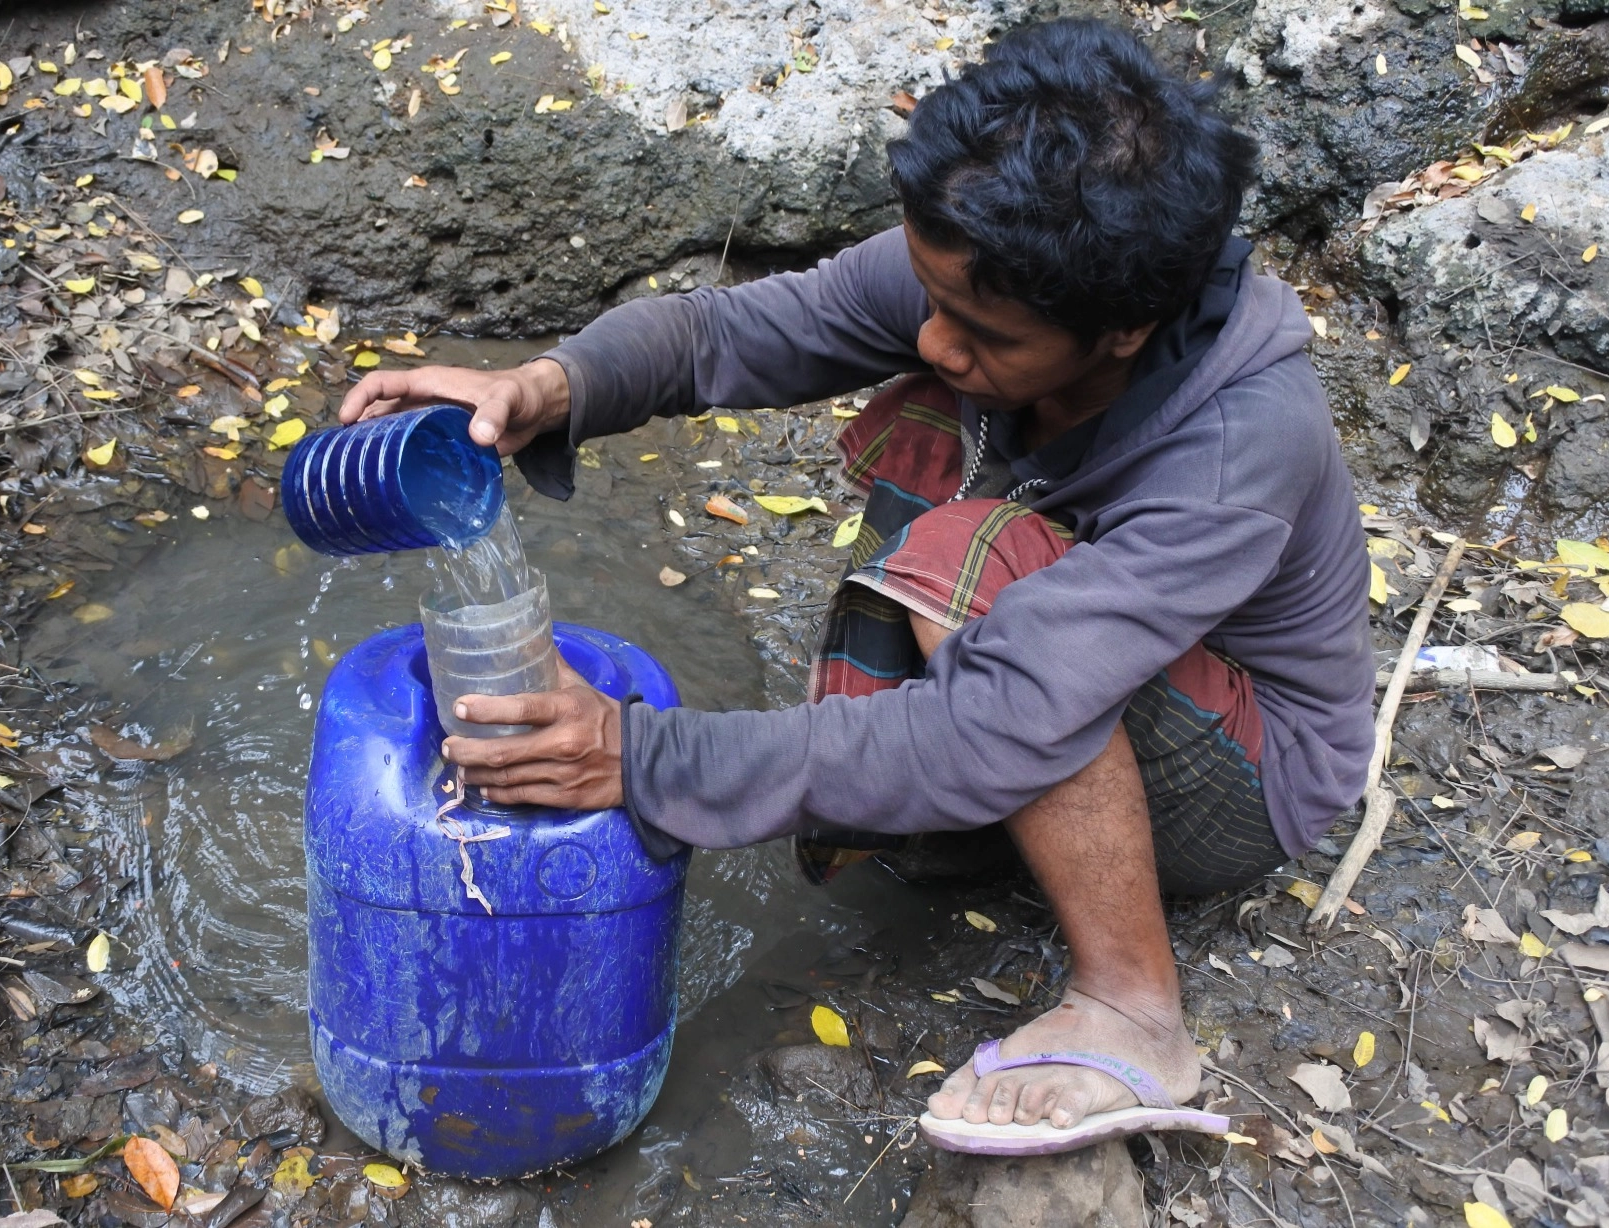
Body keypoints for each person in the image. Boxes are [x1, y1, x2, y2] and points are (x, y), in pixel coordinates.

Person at [339, 18, 1374, 1154]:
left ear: (1125, 329)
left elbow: (1006, 714)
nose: (935, 338)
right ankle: (953, 823)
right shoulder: (990, 266)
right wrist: (551, 385)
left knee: (973, 563)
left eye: (981, 332)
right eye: (929, 297)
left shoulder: (1235, 442)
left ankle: (1134, 1011)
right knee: (951, 456)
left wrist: (641, 758)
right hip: (1064, 682)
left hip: (1245, 774)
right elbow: (728, 332)